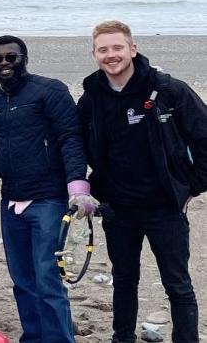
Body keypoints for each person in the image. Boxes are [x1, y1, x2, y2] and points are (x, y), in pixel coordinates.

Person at [79, 21, 205, 343]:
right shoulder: (91, 98)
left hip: (164, 206)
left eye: (117, 47)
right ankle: (123, 338)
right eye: (103, 49)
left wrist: (191, 186)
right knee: (123, 280)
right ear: (94, 54)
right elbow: (75, 146)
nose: (111, 55)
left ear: (132, 49)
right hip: (117, 208)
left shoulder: (168, 90)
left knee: (177, 283)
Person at [0, 35, 96, 343]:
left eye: (11, 57)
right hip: (11, 202)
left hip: (49, 200)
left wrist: (78, 189)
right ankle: (34, 337)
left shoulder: (49, 90)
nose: (4, 64)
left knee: (48, 279)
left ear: (24, 58)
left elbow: (70, 138)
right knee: (23, 281)